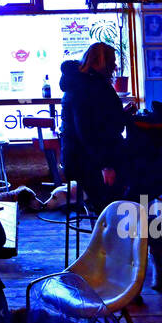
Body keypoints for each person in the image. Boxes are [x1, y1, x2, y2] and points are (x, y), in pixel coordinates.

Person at [59, 42, 130, 210]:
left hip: (77, 157)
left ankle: (115, 222)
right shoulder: (90, 87)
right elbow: (88, 132)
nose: (115, 66)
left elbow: (97, 123)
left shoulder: (79, 83)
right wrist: (106, 165)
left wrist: (121, 115)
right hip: (88, 161)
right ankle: (111, 223)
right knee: (143, 170)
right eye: (112, 61)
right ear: (101, 63)